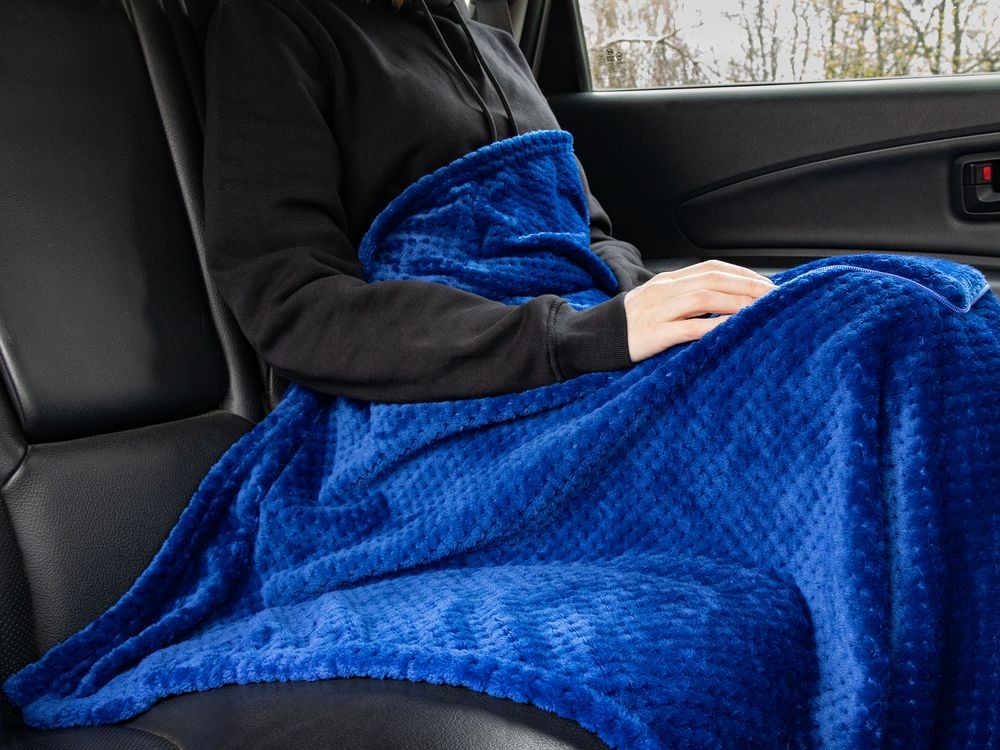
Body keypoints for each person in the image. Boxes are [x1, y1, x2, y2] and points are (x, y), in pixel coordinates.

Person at [202, 0, 778, 403]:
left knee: (817, 310)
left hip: (590, 347)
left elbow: (590, 233)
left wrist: (660, 304)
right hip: (446, 389)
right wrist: (583, 336)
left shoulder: (498, 48)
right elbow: (291, 299)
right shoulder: (277, 22)